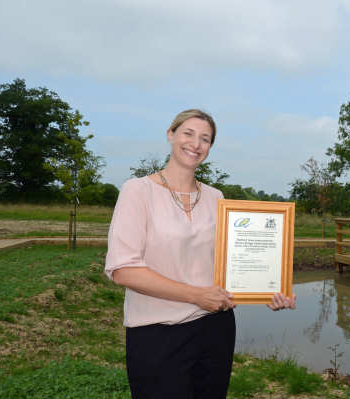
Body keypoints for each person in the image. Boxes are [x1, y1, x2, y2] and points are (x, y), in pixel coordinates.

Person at [105, 109, 296, 399]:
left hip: (215, 330)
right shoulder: (137, 191)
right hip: (157, 333)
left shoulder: (216, 198)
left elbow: (230, 264)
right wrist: (195, 295)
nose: (195, 144)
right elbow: (123, 269)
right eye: (188, 133)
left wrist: (269, 289)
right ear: (171, 135)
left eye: (205, 139)